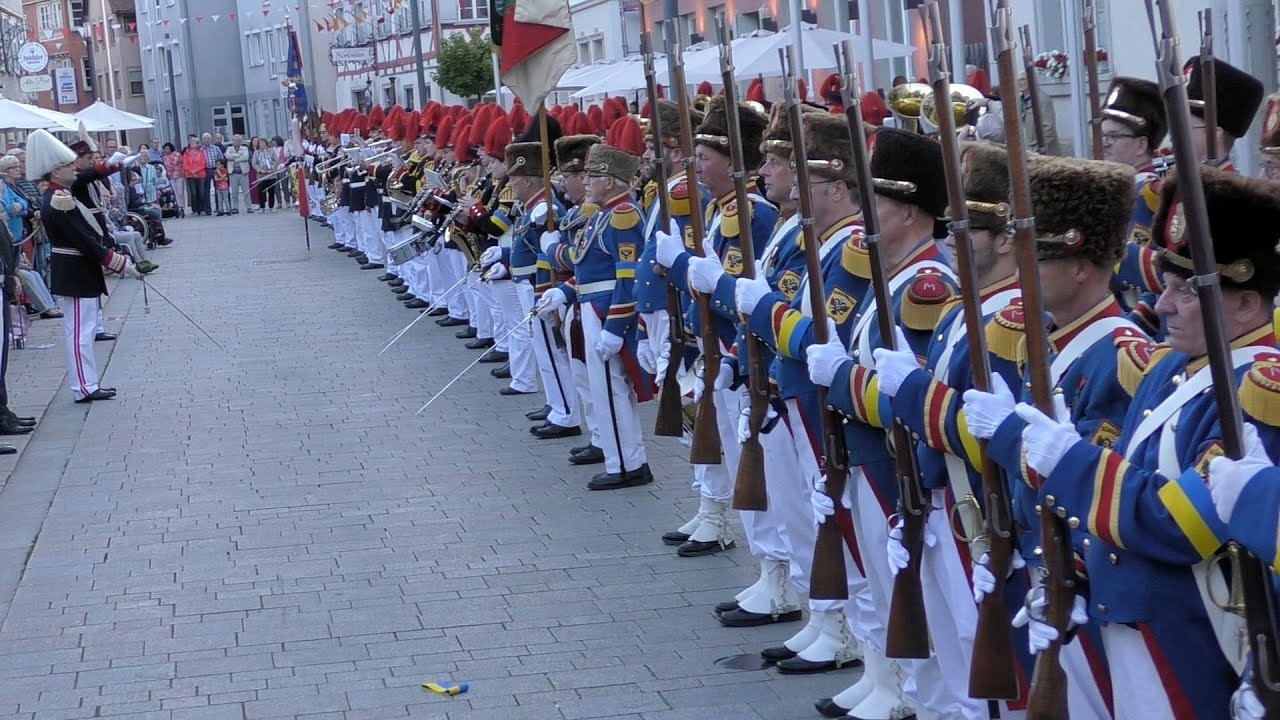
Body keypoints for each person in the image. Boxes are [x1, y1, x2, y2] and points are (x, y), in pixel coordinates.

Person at [1008, 167, 1280, 719]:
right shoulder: (1171, 370)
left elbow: (1182, 525)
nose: (1161, 306)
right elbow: (1127, 471)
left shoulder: (1257, 394)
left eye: (1185, 292)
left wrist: (1070, 463)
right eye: (1167, 287)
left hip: (1193, 636)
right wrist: (1070, 577)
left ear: (1248, 305)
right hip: (1128, 610)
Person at [535, 116, 653, 490]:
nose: (585, 182)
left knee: (612, 390)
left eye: (592, 176)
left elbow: (626, 277)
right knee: (604, 390)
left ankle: (628, 463)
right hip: (590, 308)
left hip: (605, 315)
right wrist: (566, 292)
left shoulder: (622, 216)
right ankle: (620, 458)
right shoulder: (602, 217)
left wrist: (616, 327)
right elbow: (587, 268)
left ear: (610, 180)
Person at [28, 128, 145, 404]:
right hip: (75, 270)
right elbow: (81, 239)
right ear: (56, 171)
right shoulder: (59, 200)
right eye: (68, 165)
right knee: (80, 332)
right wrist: (116, 262)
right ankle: (84, 385)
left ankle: (87, 382)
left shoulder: (63, 194)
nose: (74, 168)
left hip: (78, 270)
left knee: (83, 329)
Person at [0, 156, 30, 248]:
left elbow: (24, 201)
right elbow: (7, 209)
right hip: (7, 235)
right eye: (14, 167)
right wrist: (21, 211)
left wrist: (20, 205)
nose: (18, 169)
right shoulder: (4, 186)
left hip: (17, 235)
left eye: (18, 167)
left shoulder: (9, 188)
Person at [223, 134, 251, 214]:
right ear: (233, 141)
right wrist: (239, 156)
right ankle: (235, 208)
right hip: (233, 173)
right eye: (235, 140)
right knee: (234, 192)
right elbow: (228, 156)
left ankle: (249, 207)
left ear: (241, 141)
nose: (237, 142)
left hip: (243, 172)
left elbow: (245, 157)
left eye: (239, 140)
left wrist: (234, 158)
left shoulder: (245, 148)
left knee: (246, 191)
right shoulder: (229, 148)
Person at [182, 136, 207, 215]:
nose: (192, 144)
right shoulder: (186, 153)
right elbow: (185, 165)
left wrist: (196, 171)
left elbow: (203, 164)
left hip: (201, 174)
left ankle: (202, 209)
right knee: (193, 193)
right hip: (190, 175)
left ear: (197, 143)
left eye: (194, 142)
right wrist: (192, 172)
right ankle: (195, 210)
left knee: (202, 192)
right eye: (191, 142)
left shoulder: (201, 152)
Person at [253, 137, 280, 211]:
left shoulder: (271, 151)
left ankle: (271, 206)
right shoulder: (256, 153)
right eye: (260, 143)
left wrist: (273, 169)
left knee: (271, 191)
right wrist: (260, 170)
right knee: (261, 191)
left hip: (271, 175)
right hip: (261, 176)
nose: (262, 144)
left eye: (263, 143)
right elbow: (254, 163)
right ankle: (262, 207)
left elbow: (276, 160)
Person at [200, 133, 222, 214]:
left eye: (208, 138)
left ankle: (219, 208)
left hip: (216, 170)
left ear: (210, 139)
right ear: (202, 140)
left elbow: (221, 159)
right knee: (206, 190)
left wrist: (219, 169)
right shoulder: (201, 150)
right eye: (205, 139)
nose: (206, 140)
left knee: (218, 189)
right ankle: (208, 209)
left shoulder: (216, 148)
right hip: (205, 170)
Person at [162, 142, 185, 212]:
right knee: (175, 192)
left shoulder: (177, 155)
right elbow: (167, 166)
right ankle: (179, 205)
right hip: (171, 176)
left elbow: (178, 163)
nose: (166, 150)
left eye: (167, 148)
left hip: (179, 175)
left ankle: (182, 205)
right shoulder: (165, 158)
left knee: (180, 192)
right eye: (165, 149)